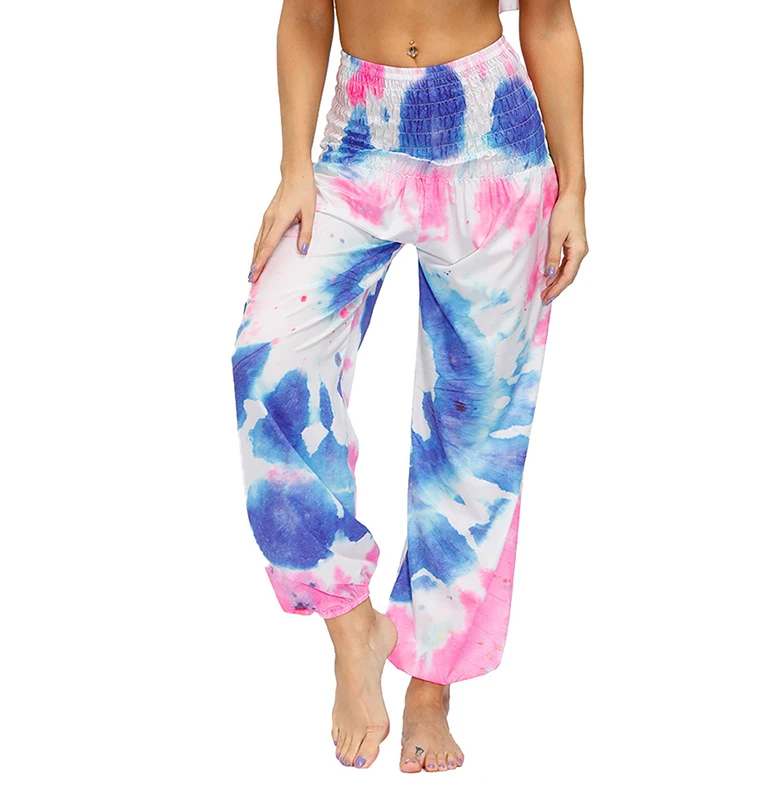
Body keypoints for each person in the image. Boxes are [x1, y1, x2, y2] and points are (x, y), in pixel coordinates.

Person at [232, 0, 588, 773]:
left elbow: (549, 20)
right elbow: (305, 15)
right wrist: (295, 169)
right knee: (269, 359)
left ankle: (432, 684)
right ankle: (352, 627)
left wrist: (576, 190)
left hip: (495, 145)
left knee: (476, 432)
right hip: (358, 142)